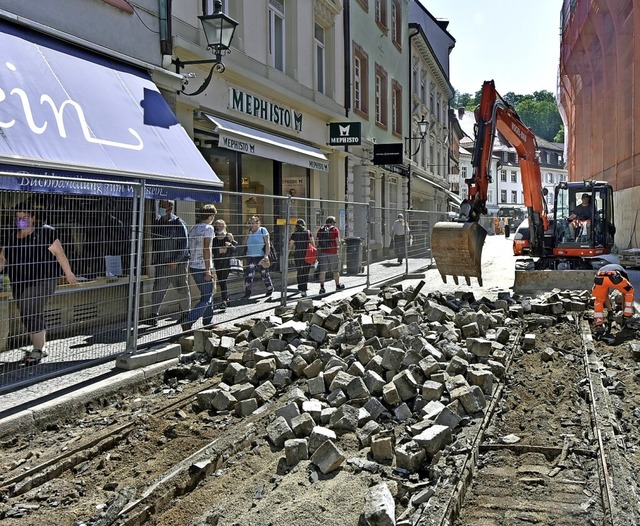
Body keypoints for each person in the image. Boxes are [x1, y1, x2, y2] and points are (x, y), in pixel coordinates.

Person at [0, 201, 77, 365]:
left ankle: (38, 350)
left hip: (44, 279)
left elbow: (59, 254)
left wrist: (68, 273)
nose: (21, 220)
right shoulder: (11, 236)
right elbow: (2, 259)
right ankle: (41, 346)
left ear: (33, 217)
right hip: (19, 281)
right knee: (27, 311)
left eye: (25, 217)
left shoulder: (46, 232)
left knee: (30, 307)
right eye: (18, 217)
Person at [149, 200, 190, 326]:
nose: (161, 208)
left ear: (171, 208)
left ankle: (186, 314)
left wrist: (176, 260)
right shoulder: (158, 223)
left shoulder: (178, 223)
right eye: (160, 206)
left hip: (177, 264)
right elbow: (155, 243)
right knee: (158, 289)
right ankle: (153, 316)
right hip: (162, 262)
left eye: (164, 206)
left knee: (182, 288)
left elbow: (184, 243)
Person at [181, 204, 217, 331]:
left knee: (207, 294)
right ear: (211, 216)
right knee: (207, 297)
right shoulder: (209, 228)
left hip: (193, 265)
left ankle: (208, 321)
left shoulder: (194, 228)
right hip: (203, 266)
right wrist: (208, 269)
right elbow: (206, 248)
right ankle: (189, 321)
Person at [591, 263, 635, 336]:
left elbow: (606, 295)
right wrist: (624, 310)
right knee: (629, 291)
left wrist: (610, 310)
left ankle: (598, 324)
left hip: (599, 277)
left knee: (599, 300)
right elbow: (624, 294)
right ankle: (627, 316)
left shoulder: (604, 268)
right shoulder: (623, 272)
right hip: (614, 276)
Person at [243, 215, 274, 299]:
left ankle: (269, 288)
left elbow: (267, 244)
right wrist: (246, 234)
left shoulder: (262, 230)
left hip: (260, 256)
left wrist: (266, 255)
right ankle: (247, 293)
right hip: (250, 256)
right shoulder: (248, 232)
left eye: (252, 223)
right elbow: (244, 244)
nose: (251, 225)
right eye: (249, 223)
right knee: (249, 275)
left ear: (258, 223)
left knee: (264, 274)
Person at [211, 219, 237, 308]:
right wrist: (220, 250)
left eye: (221, 224)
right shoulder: (213, 236)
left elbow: (235, 249)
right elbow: (212, 249)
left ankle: (224, 300)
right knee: (221, 280)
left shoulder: (229, 236)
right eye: (217, 224)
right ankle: (226, 299)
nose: (219, 226)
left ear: (225, 226)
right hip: (218, 262)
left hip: (227, 262)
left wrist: (230, 245)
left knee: (223, 280)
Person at [317, 216, 345, 294]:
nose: (335, 224)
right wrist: (339, 244)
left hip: (323, 252)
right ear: (332, 222)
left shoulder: (321, 229)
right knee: (335, 270)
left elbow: (317, 241)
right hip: (333, 252)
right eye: (335, 222)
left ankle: (322, 288)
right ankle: (337, 285)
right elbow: (337, 241)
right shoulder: (334, 229)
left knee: (322, 271)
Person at [289, 219, 315, 297]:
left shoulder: (294, 234)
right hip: (307, 254)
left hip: (298, 254)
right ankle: (304, 289)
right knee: (305, 272)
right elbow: (313, 244)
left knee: (299, 271)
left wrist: (287, 254)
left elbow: (290, 246)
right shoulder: (308, 233)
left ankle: (300, 287)